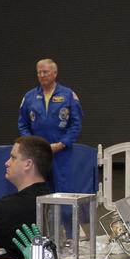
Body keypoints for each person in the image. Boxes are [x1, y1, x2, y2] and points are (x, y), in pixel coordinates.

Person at [0, 136, 53, 259]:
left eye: (13, 157)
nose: (7, 163)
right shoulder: (50, 202)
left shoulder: (7, 209)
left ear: (28, 164)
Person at [17, 58, 83, 189]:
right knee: (39, 189)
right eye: (39, 72)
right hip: (37, 154)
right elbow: (23, 124)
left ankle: (64, 211)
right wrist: (33, 145)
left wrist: (62, 143)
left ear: (55, 73)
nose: (41, 75)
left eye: (45, 72)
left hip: (61, 153)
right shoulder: (29, 97)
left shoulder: (68, 95)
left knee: (62, 190)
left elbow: (76, 123)